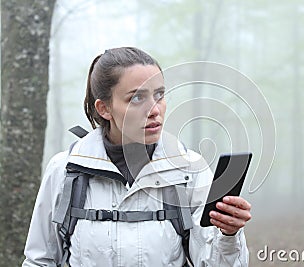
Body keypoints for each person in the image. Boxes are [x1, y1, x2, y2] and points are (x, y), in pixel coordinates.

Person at [22, 47, 252, 267]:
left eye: (159, 95)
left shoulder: (189, 171)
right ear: (104, 109)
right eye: (137, 98)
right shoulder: (65, 170)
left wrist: (228, 234)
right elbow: (39, 261)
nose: (155, 110)